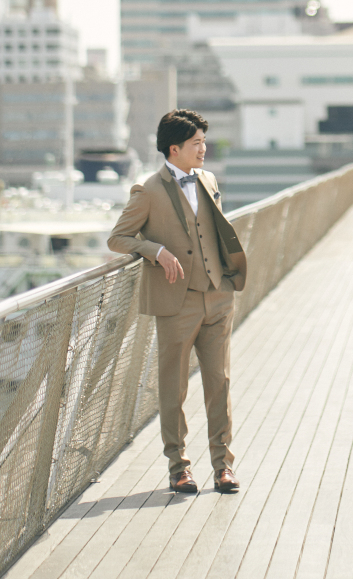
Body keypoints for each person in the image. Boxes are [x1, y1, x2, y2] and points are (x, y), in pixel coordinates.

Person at [108, 109, 247, 495]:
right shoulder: (149, 190)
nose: (204, 149)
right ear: (175, 148)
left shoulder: (209, 179)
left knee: (219, 383)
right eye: (196, 143)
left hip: (217, 297)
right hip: (177, 302)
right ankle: (179, 467)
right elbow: (118, 238)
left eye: (204, 141)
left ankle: (223, 467)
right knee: (174, 389)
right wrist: (156, 251)